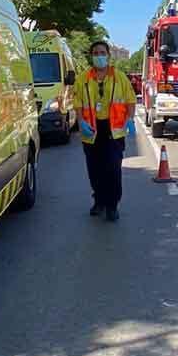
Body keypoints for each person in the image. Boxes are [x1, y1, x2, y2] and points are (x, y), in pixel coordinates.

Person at [73, 41, 137, 222]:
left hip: (113, 131)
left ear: (108, 56)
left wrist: (130, 119)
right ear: (91, 56)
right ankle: (99, 201)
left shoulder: (119, 77)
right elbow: (77, 102)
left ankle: (112, 205)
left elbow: (130, 100)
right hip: (91, 130)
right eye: (95, 53)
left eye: (102, 52)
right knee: (95, 170)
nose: (99, 56)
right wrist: (80, 121)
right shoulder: (83, 78)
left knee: (113, 169)